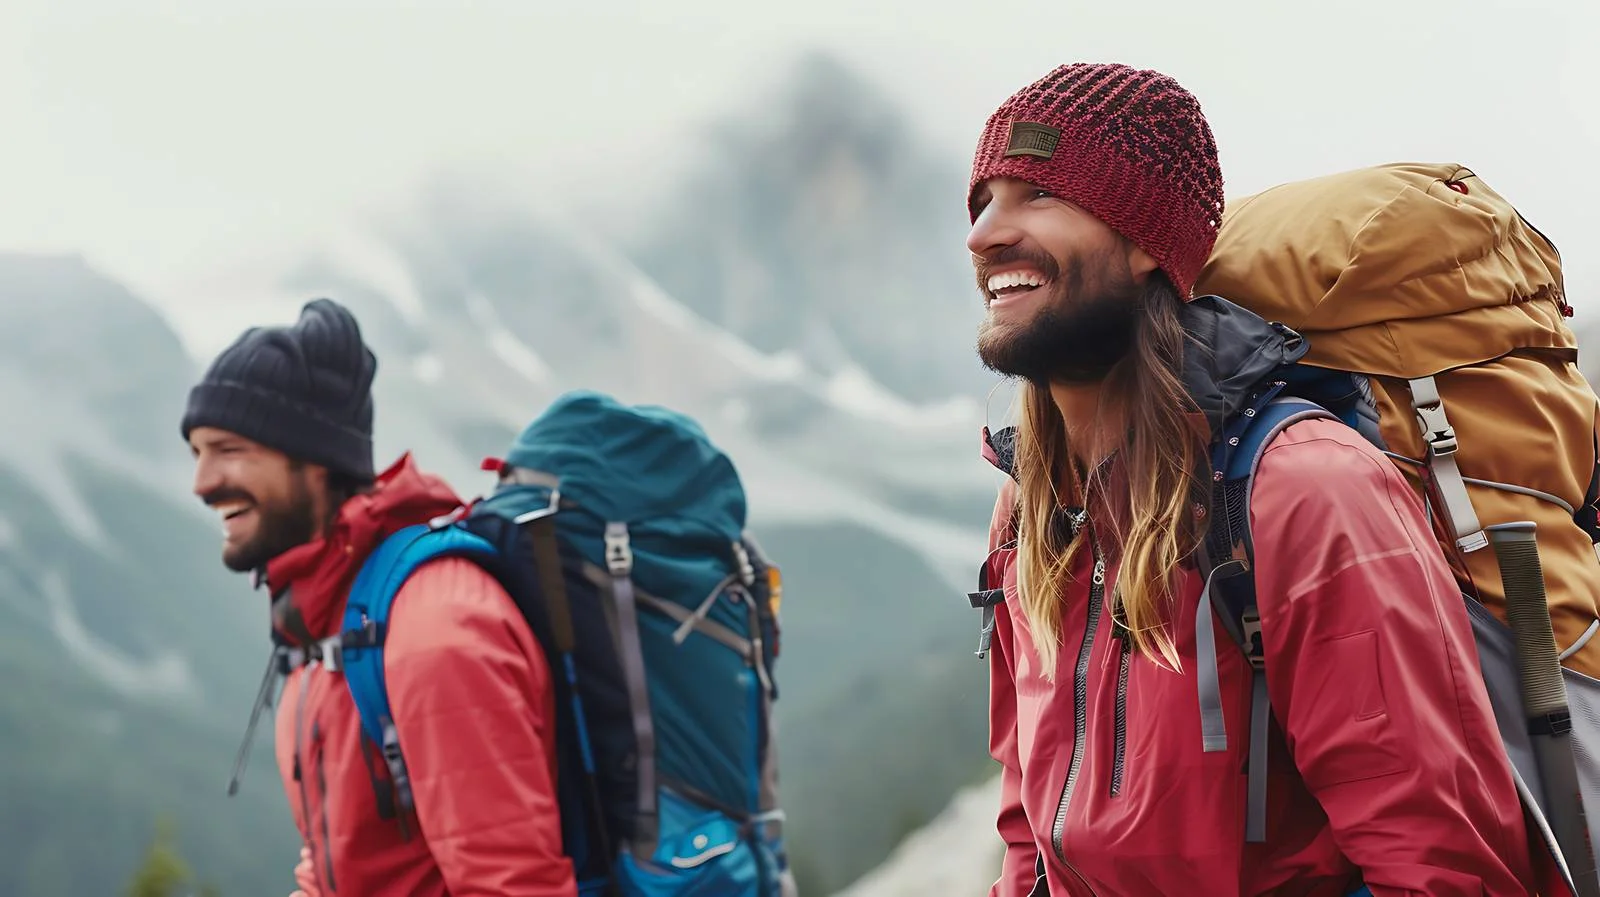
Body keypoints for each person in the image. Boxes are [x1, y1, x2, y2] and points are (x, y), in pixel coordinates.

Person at [966, 62, 1547, 896]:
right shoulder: (1029, 509)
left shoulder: (1305, 489)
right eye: (983, 202)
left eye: (1039, 195)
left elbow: (1439, 863)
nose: (985, 234)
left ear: (1146, 241)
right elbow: (1031, 836)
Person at [181, 298, 578, 897]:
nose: (202, 483)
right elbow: (342, 868)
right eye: (197, 453)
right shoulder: (329, 627)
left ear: (316, 460)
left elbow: (514, 887)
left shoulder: (434, 632)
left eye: (230, 450)